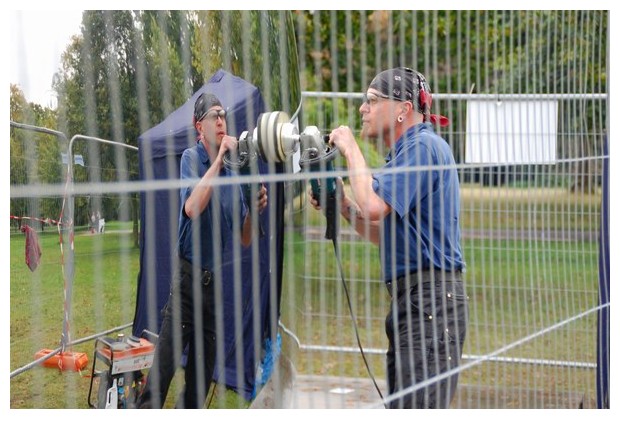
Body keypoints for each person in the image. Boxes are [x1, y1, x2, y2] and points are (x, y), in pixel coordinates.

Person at [311, 67, 468, 408]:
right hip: (416, 303)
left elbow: (372, 204)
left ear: (403, 109)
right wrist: (342, 205)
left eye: (371, 101)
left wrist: (351, 149)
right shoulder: (406, 153)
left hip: (431, 305)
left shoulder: (423, 147)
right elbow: (386, 236)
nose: (361, 110)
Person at [138, 92, 268, 408]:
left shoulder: (234, 172)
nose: (222, 120)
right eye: (214, 115)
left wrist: (253, 209)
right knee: (164, 368)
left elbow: (245, 238)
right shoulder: (191, 159)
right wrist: (220, 160)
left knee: (202, 375)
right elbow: (193, 206)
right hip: (186, 281)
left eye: (223, 114)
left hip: (213, 285)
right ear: (200, 127)